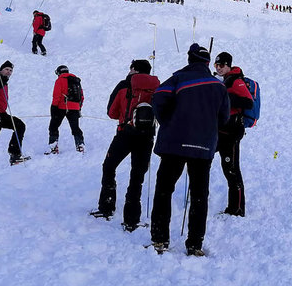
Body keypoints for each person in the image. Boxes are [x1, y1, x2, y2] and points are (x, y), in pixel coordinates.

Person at [149, 43, 230, 256]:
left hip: (173, 144)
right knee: (199, 195)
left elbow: (158, 98)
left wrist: (168, 122)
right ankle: (194, 244)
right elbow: (224, 118)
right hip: (203, 147)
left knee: (164, 190)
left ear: (189, 59)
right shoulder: (219, 86)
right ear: (206, 62)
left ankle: (159, 239)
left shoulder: (177, 79)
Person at [91, 60, 160, 229]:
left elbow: (111, 112)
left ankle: (106, 207)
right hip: (147, 137)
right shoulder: (157, 87)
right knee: (137, 177)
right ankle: (131, 219)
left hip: (125, 133)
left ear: (133, 70)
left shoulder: (124, 85)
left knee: (109, 167)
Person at [213, 51, 253, 216]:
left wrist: (226, 98)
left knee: (231, 169)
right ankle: (233, 207)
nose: (219, 68)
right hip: (221, 131)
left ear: (228, 65)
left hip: (232, 133)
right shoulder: (224, 80)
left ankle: (237, 208)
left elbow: (248, 102)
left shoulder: (236, 81)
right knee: (223, 166)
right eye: (216, 65)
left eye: (222, 65)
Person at [47, 65, 85, 154]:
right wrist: (78, 108)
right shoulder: (76, 81)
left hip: (61, 107)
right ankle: (80, 145)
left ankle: (53, 147)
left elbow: (56, 95)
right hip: (75, 108)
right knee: (75, 128)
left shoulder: (60, 80)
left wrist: (53, 107)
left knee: (53, 126)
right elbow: (81, 97)